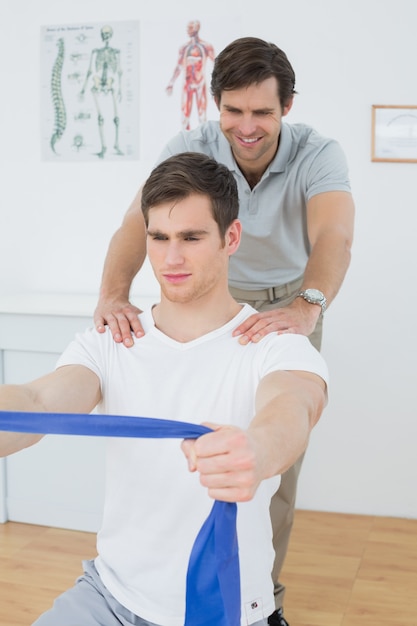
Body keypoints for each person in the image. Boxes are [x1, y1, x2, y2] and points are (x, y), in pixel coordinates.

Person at [0, 153, 327, 626]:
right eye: (159, 238)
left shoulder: (273, 345)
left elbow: (294, 406)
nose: (171, 258)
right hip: (107, 596)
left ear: (230, 238)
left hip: (226, 610)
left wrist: (257, 448)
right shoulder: (113, 340)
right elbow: (36, 402)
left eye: (191, 238)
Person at [93, 37, 355, 626]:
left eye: (262, 112)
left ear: (287, 106)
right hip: (208, 299)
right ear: (216, 106)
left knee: (272, 468)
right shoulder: (189, 147)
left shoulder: (318, 153)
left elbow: (334, 235)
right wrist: (112, 295)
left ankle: (265, 603)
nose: (247, 126)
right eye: (233, 110)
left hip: (289, 304)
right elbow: (138, 225)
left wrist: (308, 307)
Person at [166, 20, 215, 130]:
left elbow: (216, 63)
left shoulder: (206, 46)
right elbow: (179, 66)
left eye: (190, 28)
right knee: (185, 115)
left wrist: (218, 85)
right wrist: (171, 82)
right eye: (187, 28)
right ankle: (186, 143)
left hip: (200, 82)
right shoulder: (184, 47)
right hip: (187, 84)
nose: (187, 30)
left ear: (196, 28)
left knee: (202, 115)